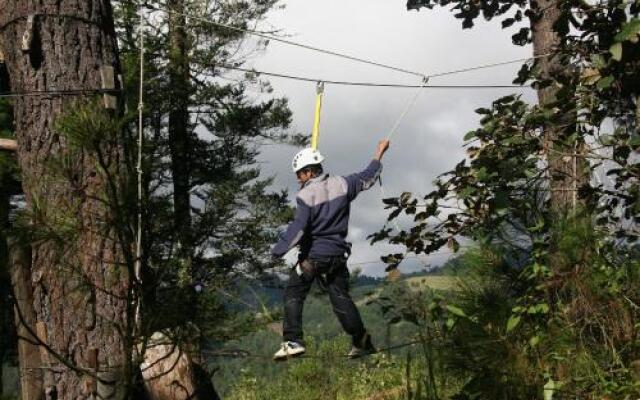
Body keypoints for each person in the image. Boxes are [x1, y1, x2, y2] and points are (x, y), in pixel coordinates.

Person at [271, 139, 391, 360]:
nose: (298, 178)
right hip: (338, 256)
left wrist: (277, 251)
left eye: (299, 174)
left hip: (314, 257)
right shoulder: (343, 184)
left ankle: (293, 340)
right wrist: (379, 152)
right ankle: (361, 340)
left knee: (294, 292)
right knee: (340, 297)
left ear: (308, 172)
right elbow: (369, 175)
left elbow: (298, 229)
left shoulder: (306, 196)